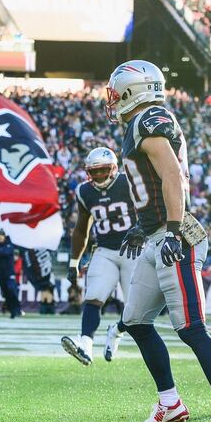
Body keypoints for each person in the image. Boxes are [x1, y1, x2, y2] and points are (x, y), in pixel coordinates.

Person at [108, 60, 211, 422]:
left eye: (115, 90)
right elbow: (155, 183)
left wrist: (171, 230)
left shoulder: (148, 119)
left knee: (192, 329)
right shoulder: (142, 122)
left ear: (130, 90)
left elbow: (172, 175)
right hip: (158, 234)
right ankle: (170, 403)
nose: (111, 98)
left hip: (177, 236)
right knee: (136, 320)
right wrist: (144, 226)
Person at [60, 147, 137, 366]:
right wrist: (74, 262)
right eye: (95, 171)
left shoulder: (128, 183)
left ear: (113, 168)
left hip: (133, 250)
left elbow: (147, 211)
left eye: (104, 170)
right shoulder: (85, 191)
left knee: (137, 311)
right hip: (104, 250)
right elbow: (82, 228)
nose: (100, 176)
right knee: (93, 296)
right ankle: (85, 343)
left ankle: (116, 331)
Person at [0, 230, 23, 318]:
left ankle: (17, 309)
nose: (0, 237)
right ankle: (12, 311)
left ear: (4, 237)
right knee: (6, 293)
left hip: (9, 273)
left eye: (2, 236)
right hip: (0, 274)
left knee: (12, 290)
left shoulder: (9, 245)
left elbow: (4, 252)